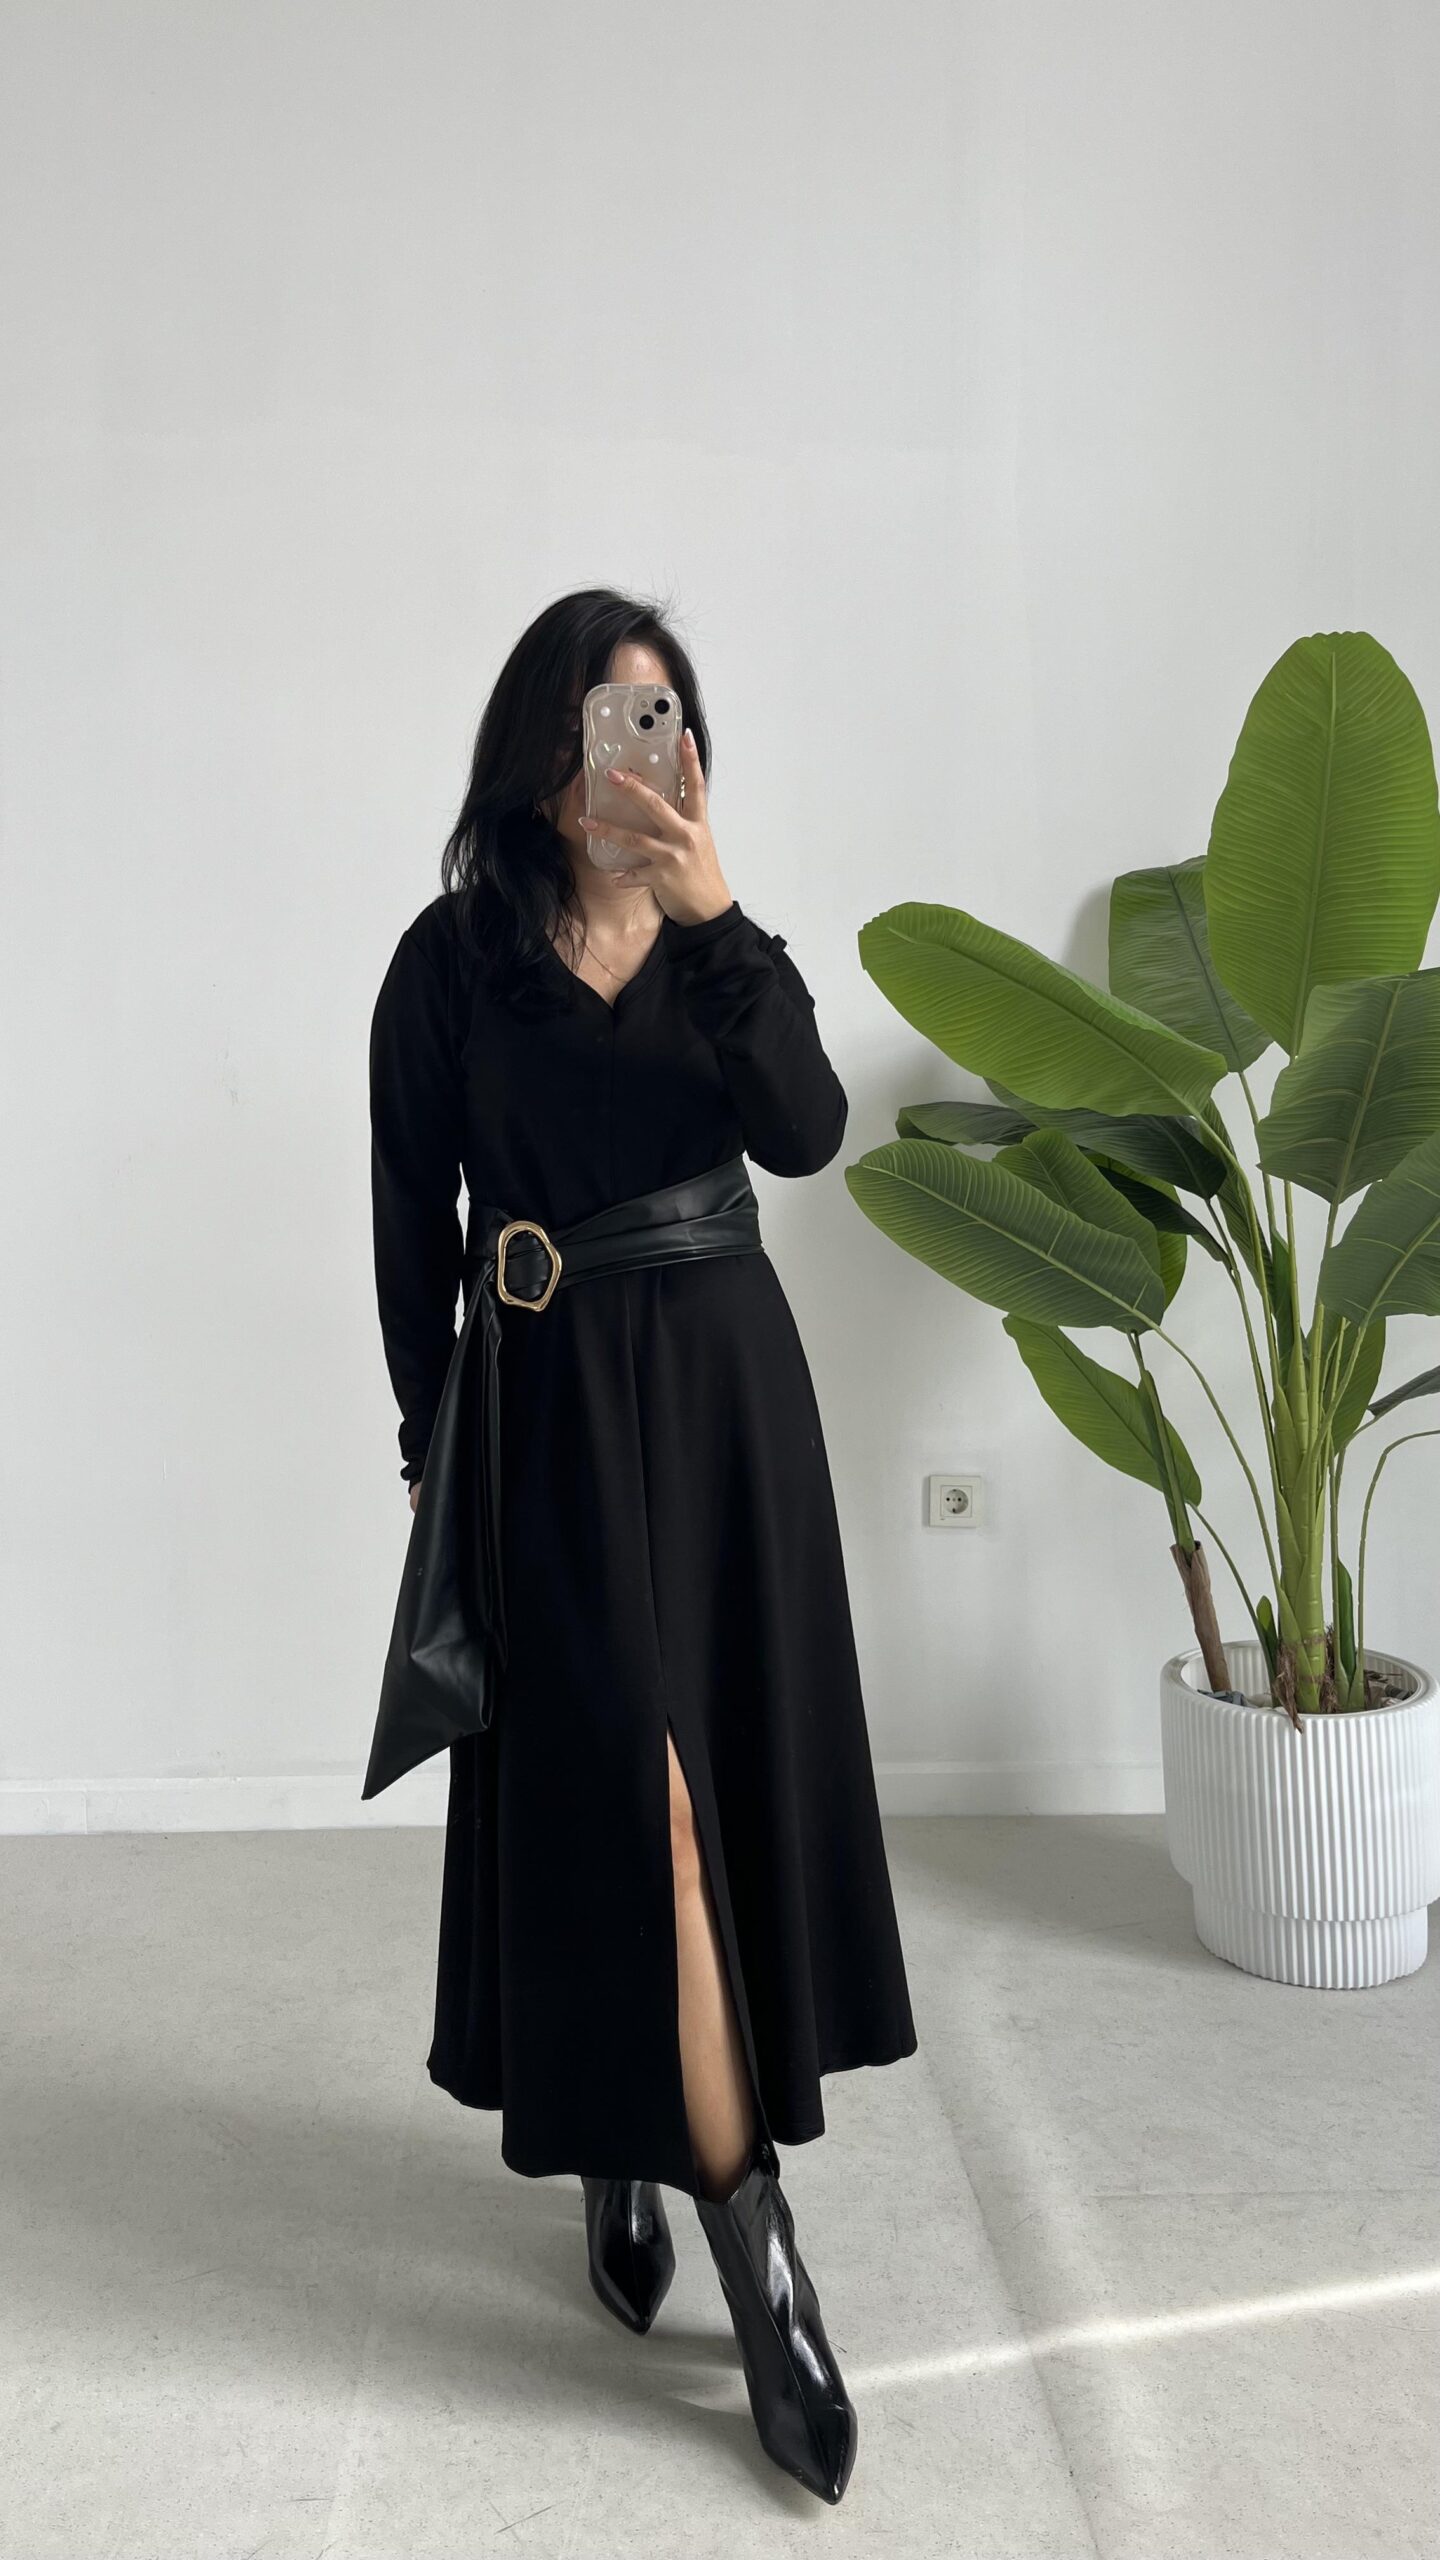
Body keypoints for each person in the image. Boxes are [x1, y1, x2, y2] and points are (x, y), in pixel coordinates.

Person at [367, 587, 917, 2505]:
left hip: (724, 1410)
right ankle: (746, 2227)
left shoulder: (722, 946)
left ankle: (695, 2189)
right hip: (541, 1419)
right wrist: (435, 1455)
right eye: (607, 715)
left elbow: (809, 1134)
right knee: (627, 1799)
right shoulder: (450, 962)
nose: (638, 745)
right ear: (544, 751)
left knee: (705, 1795)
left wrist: (717, 912)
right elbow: (410, 1232)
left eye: (665, 714)